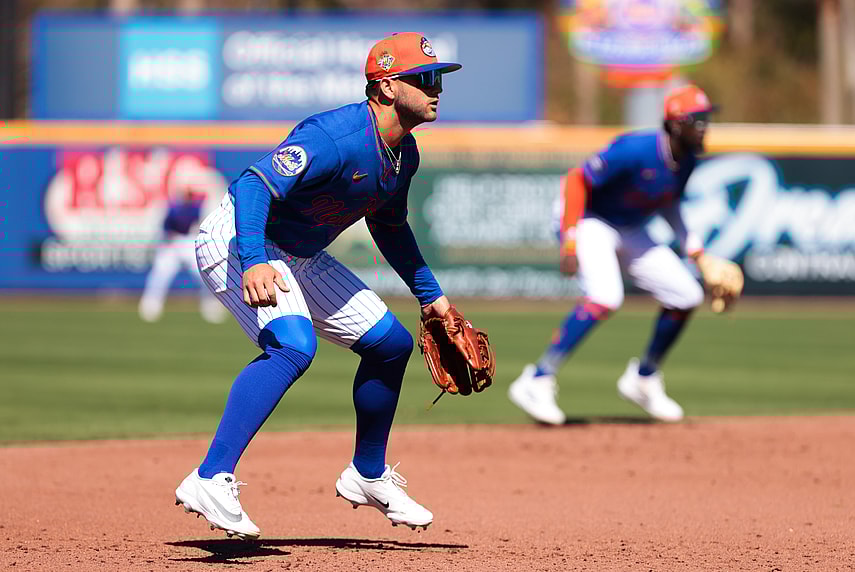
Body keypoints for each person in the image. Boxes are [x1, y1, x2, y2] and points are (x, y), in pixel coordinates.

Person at [175, 32, 462, 539]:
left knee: (391, 346)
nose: (436, 87)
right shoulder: (336, 136)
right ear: (389, 86)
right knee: (293, 346)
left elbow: (390, 226)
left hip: (300, 255)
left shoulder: (404, 154)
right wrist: (254, 259)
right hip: (241, 238)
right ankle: (209, 477)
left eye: (438, 76)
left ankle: (367, 475)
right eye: (426, 78)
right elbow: (252, 185)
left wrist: (431, 296)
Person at [508, 84, 717, 425]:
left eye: (707, 118)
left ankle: (643, 379)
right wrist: (570, 239)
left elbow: (669, 202)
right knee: (605, 296)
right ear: (676, 124)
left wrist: (697, 253)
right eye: (698, 120)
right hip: (589, 216)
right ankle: (537, 379)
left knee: (686, 294)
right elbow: (575, 182)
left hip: (629, 226)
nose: (705, 126)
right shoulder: (636, 149)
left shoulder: (688, 160)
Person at [138, 188, 226, 324]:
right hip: (171, 243)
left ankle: (211, 306)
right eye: (186, 195)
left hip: (189, 242)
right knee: (160, 274)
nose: (188, 197)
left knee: (204, 276)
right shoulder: (172, 208)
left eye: (190, 195)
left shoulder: (196, 207)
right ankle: (151, 306)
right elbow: (164, 228)